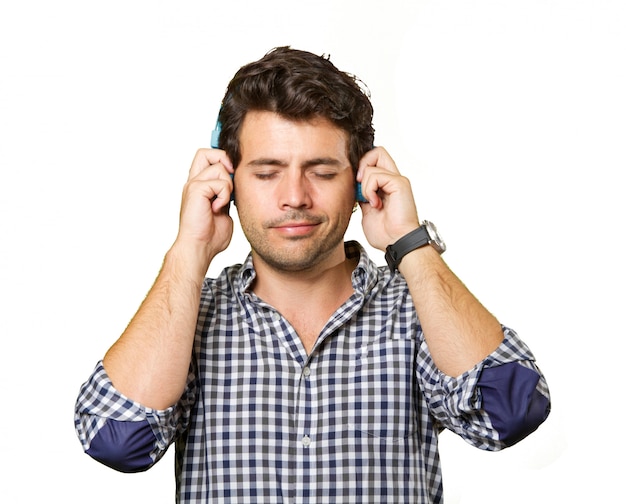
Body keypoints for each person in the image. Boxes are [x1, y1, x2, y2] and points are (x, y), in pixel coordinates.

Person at [74, 46, 550, 503]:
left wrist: (409, 242)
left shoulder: (416, 309)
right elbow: (117, 440)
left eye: (321, 171)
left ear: (361, 182)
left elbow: (508, 414)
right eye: (266, 173)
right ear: (228, 182)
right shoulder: (188, 318)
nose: (295, 196)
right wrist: (189, 250)